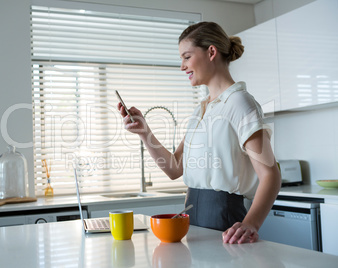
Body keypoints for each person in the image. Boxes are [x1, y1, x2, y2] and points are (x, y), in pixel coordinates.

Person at [117, 21, 281, 244]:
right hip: (192, 216)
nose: (182, 66)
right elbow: (175, 168)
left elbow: (270, 174)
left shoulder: (240, 104)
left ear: (211, 52)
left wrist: (250, 224)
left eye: (186, 57)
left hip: (225, 218)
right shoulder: (201, 110)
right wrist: (145, 133)